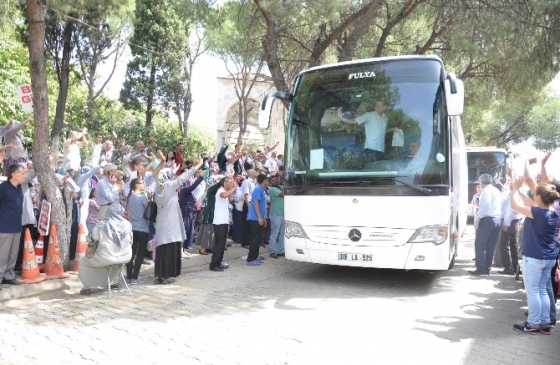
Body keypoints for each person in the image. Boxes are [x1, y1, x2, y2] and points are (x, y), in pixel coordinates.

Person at [511, 177, 560, 334]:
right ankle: (545, 323)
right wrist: (518, 190)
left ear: (538, 197)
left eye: (535, 194)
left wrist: (513, 190)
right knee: (542, 290)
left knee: (533, 291)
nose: (533, 196)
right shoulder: (552, 212)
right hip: (549, 258)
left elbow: (515, 205)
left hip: (534, 258)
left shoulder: (536, 213)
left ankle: (532, 323)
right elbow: (529, 204)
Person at [153, 157, 203, 285]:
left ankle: (160, 275)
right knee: (170, 250)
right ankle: (167, 275)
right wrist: (197, 166)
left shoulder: (157, 188)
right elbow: (183, 177)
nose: (174, 177)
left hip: (162, 223)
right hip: (171, 224)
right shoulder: (169, 186)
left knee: (162, 250)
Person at [78, 202, 133, 296]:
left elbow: (90, 239)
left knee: (83, 261)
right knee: (114, 261)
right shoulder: (128, 225)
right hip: (126, 257)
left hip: (106, 258)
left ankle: (87, 287)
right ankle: (113, 282)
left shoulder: (102, 225)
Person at [0, 164, 27, 288]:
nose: (24, 175)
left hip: (16, 226)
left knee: (13, 254)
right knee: (2, 255)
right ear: (13, 175)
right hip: (4, 227)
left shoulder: (20, 188)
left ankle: (8, 276)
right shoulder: (3, 188)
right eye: (22, 173)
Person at [470, 173, 502, 276]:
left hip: (488, 219)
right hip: (497, 219)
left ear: (481, 182)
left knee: (480, 244)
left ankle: (480, 268)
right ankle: (487, 268)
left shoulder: (486, 191)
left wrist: (480, 216)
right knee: (491, 246)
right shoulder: (496, 190)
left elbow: (485, 204)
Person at [209, 176, 238, 272]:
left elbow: (228, 199)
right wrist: (233, 189)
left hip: (224, 221)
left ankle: (218, 262)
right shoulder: (220, 190)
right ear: (225, 183)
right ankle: (214, 264)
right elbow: (224, 195)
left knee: (222, 244)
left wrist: (231, 191)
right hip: (219, 222)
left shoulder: (225, 191)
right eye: (230, 182)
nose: (231, 184)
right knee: (219, 244)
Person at [126, 178, 151, 285]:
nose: (143, 185)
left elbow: (129, 214)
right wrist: (150, 199)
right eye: (142, 183)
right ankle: (135, 277)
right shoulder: (142, 198)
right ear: (137, 185)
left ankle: (129, 275)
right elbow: (149, 211)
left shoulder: (130, 197)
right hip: (143, 227)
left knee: (131, 252)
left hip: (133, 227)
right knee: (140, 253)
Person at [178, 169, 205, 256]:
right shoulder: (184, 189)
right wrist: (200, 177)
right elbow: (193, 187)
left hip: (190, 213)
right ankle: (180, 251)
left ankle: (184, 249)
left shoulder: (190, 192)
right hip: (185, 213)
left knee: (189, 231)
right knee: (184, 230)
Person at [498, 183, 522, 275]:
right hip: (515, 222)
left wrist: (506, 224)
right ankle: (515, 267)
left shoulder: (513, 194)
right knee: (513, 245)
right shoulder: (517, 194)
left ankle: (508, 268)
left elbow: (510, 210)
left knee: (504, 245)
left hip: (510, 222)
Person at [246, 173, 269, 266]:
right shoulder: (258, 189)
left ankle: (255, 256)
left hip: (258, 218)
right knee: (257, 238)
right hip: (255, 218)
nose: (268, 181)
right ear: (264, 181)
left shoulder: (261, 190)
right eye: (267, 180)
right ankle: (251, 259)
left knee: (257, 238)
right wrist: (259, 217)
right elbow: (256, 204)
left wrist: (264, 218)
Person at [268, 174, 285, 258]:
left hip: (282, 213)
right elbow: (284, 194)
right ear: (270, 183)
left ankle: (280, 250)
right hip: (276, 214)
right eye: (273, 180)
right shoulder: (273, 189)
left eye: (276, 179)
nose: (275, 180)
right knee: (274, 234)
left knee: (282, 233)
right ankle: (272, 251)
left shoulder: (279, 187)